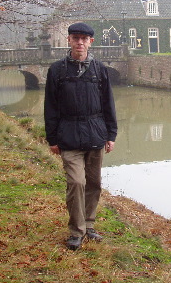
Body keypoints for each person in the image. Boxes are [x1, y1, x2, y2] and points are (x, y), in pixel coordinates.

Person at [44, 22, 118, 251]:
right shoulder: (56, 71)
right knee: (77, 182)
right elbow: (51, 106)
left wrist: (111, 134)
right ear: (69, 40)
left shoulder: (100, 69)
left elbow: (108, 103)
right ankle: (77, 231)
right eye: (75, 38)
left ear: (90, 42)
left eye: (84, 39)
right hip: (69, 136)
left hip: (96, 134)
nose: (80, 42)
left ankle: (89, 224)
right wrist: (52, 139)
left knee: (94, 183)